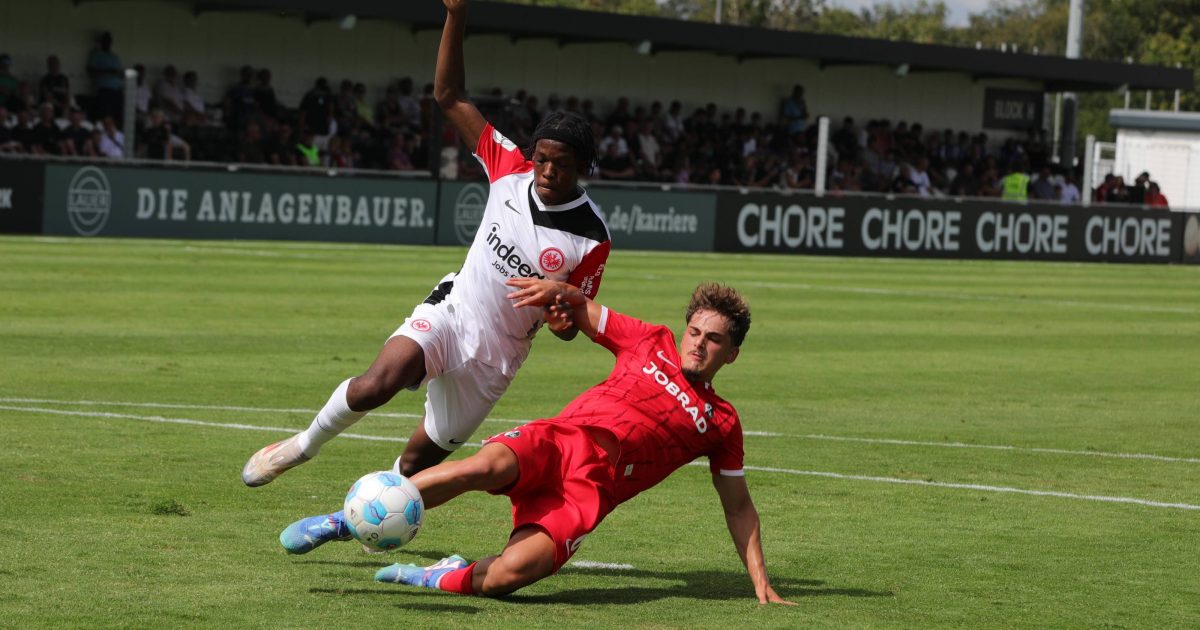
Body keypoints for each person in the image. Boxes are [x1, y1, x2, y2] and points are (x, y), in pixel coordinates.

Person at [241, 0, 610, 487]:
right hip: (452, 311)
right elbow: (449, 96)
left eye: (559, 164)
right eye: (541, 158)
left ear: (582, 166)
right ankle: (300, 446)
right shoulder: (509, 166)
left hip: (497, 355)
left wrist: (560, 313)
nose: (545, 171)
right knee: (378, 384)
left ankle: (352, 517)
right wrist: (456, 16)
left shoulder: (591, 237)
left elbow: (573, 321)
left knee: (414, 467)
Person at [278, 280, 793, 605]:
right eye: (695, 331)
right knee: (477, 469)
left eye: (714, 339)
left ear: (733, 353)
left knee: (509, 578)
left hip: (589, 494)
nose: (699, 343)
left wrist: (759, 580)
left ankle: (436, 576)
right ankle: (342, 522)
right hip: (558, 441)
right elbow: (581, 306)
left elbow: (739, 508)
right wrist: (554, 290)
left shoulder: (720, 421)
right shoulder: (649, 340)